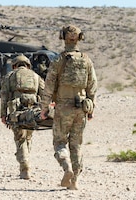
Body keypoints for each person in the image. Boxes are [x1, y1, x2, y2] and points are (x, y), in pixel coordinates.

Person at [40, 25, 97, 190]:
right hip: (82, 107)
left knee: (60, 142)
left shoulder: (58, 60)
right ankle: (75, 182)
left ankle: (67, 168)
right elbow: (92, 85)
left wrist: (44, 108)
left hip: (63, 107)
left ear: (63, 37)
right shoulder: (87, 60)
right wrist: (91, 108)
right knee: (76, 144)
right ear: (80, 38)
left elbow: (49, 86)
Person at [0, 54, 45, 179]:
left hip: (17, 112)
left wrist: (3, 114)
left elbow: (4, 96)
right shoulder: (36, 77)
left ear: (14, 65)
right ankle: (26, 161)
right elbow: (45, 94)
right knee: (28, 137)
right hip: (33, 111)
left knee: (20, 138)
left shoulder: (10, 76)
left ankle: (24, 166)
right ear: (28, 65)